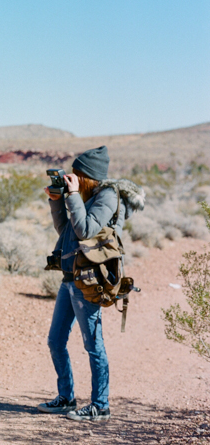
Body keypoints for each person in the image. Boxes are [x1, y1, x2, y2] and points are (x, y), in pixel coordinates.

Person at [37, 146, 143, 421]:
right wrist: (57, 201)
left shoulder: (107, 196)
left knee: (93, 344)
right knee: (55, 341)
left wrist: (72, 196)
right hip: (70, 279)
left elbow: (86, 230)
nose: (72, 178)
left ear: (88, 176)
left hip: (88, 282)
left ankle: (101, 404)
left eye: (76, 175)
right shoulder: (84, 196)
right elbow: (67, 231)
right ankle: (66, 398)